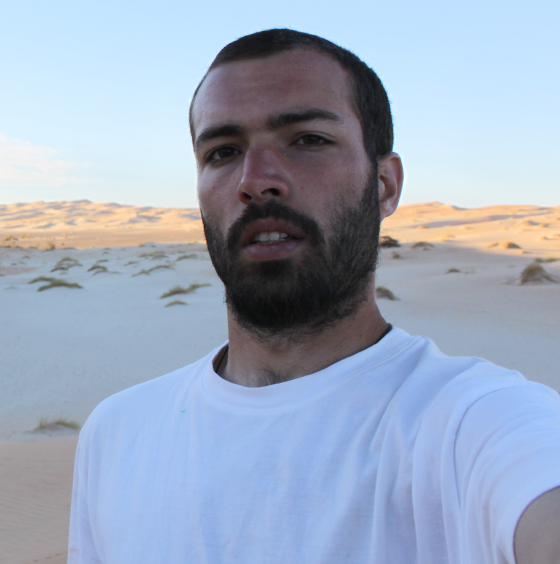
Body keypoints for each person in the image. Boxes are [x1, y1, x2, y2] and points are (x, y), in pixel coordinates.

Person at [67, 29, 560, 564]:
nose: (256, 182)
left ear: (385, 185)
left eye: (308, 140)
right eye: (223, 152)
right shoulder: (117, 434)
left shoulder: (477, 424)